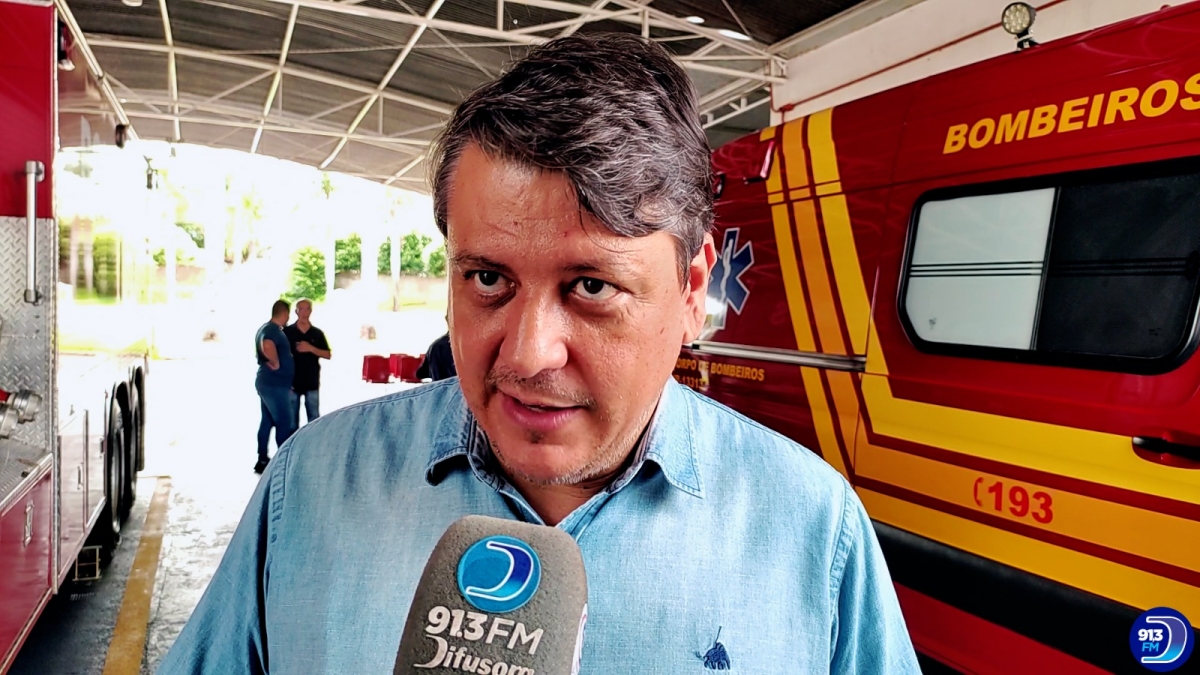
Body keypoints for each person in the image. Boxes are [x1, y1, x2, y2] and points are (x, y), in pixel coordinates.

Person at [160, 34, 919, 673]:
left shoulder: (812, 532)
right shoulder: (310, 490)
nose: (527, 355)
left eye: (591, 286)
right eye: (488, 279)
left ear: (692, 291)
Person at [253, 299, 295, 475]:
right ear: (284, 313)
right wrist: (276, 362)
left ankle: (262, 458)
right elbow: (267, 344)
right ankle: (283, 462)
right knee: (284, 421)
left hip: (271, 383)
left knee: (267, 421)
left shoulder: (266, 328)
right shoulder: (272, 330)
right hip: (274, 384)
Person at [284, 298, 332, 427]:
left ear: (311, 311)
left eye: (307, 309)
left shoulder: (317, 333)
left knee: (314, 419)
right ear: (296, 311)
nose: (304, 312)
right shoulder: (287, 332)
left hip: (311, 380)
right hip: (292, 382)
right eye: (301, 309)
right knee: (291, 422)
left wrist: (311, 348)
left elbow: (327, 354)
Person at [415, 314, 456, 381]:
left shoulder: (434, 346)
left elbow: (420, 373)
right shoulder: (463, 346)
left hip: (438, 386)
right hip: (456, 386)